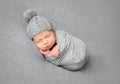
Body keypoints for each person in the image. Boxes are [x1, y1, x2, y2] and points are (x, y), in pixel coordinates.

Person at [23, 9, 88, 71]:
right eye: (39, 41)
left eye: (47, 36)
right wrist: (49, 54)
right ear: (33, 42)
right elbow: (54, 59)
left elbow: (66, 39)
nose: (45, 42)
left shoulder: (61, 35)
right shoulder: (45, 53)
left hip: (78, 49)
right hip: (71, 62)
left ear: (53, 32)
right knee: (76, 63)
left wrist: (58, 48)